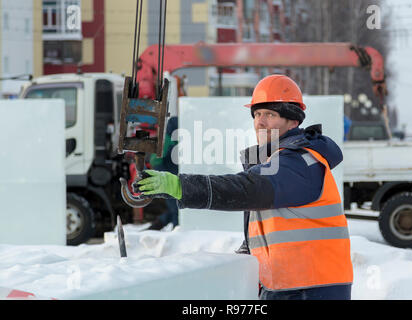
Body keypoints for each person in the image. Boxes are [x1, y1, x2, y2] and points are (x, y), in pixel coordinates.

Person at [136, 74, 353, 300]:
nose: (260, 122)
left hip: (312, 289)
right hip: (289, 285)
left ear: (293, 120)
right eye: (257, 114)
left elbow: (247, 189)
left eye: (270, 114)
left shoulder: (299, 161)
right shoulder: (277, 161)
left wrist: (181, 187)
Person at [147, 116, 179, 230]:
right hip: (169, 180)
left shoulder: (168, 140)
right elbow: (156, 161)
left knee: (175, 209)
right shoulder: (170, 142)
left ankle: (156, 226)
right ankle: (177, 233)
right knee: (176, 209)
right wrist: (164, 179)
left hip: (171, 179)